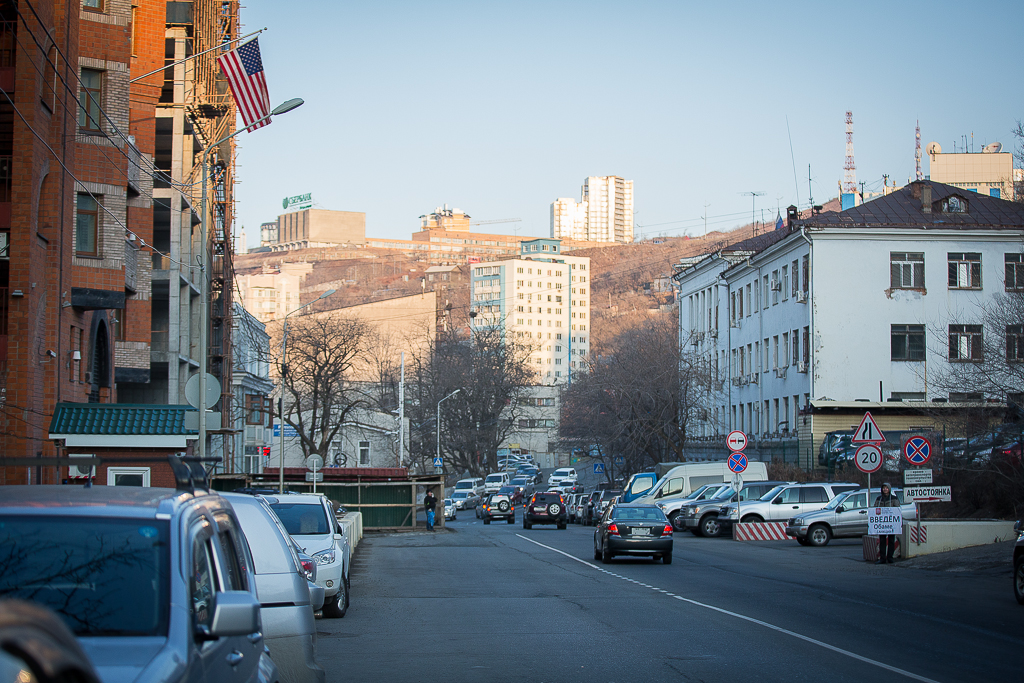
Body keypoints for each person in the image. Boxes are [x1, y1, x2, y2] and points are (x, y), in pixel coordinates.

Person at [873, 482, 899, 564]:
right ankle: (882, 558)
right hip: (882, 524)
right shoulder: (878, 499)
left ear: (889, 489)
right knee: (882, 541)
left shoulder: (894, 498)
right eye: (884, 488)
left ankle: (890, 557)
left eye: (886, 488)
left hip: (891, 523)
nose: (885, 489)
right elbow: (874, 509)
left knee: (891, 540)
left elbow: (897, 510)